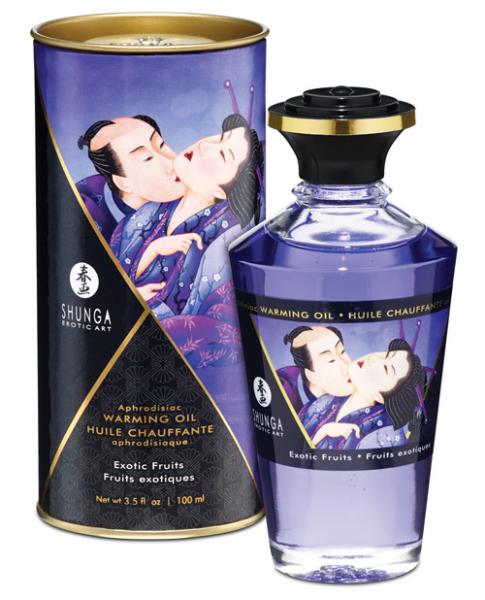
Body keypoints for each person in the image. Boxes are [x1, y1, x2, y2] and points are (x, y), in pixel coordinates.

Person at [110, 113, 263, 315]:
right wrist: (153, 250)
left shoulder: (220, 239)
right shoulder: (149, 212)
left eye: (222, 155)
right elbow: (109, 278)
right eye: (219, 138)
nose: (204, 145)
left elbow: (190, 314)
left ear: (221, 191)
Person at [77, 115, 185, 240]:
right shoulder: (88, 211)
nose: (171, 162)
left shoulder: (192, 184)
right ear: (123, 183)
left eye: (161, 145)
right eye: (147, 158)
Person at [309, 338, 426, 449]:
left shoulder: (381, 435)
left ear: (382, 397)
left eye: (386, 368)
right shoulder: (326, 401)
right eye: (386, 355)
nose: (373, 359)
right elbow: (300, 448)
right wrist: (324, 431)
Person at [277, 326, 354, 414]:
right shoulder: (283, 391)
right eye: (331, 360)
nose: (347, 366)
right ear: (311, 375)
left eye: (342, 352)